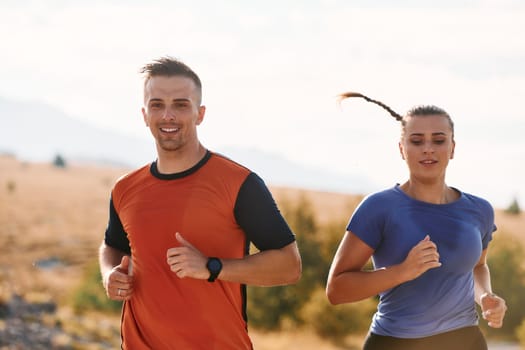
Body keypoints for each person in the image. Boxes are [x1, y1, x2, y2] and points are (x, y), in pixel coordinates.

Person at [98, 56, 302, 349]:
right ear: (145, 114)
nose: (168, 115)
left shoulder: (238, 183)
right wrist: (109, 274)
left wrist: (212, 267)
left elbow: (289, 266)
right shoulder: (125, 189)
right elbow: (112, 244)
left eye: (180, 104)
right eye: (157, 105)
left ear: (200, 113)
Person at [325, 92, 507, 350]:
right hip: (394, 343)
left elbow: (478, 266)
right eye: (417, 140)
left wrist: (486, 296)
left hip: (463, 340)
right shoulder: (379, 207)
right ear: (402, 149)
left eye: (439, 140)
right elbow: (336, 290)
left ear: (452, 148)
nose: (428, 148)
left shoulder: (479, 210)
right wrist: (402, 272)